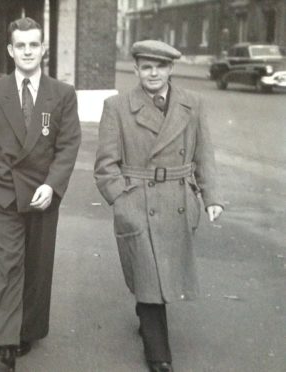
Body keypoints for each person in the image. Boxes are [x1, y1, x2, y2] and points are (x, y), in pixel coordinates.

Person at [94, 40, 224, 372]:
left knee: (160, 271)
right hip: (137, 199)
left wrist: (211, 198)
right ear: (136, 69)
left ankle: (144, 311)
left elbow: (203, 154)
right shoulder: (117, 106)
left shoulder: (193, 104)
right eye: (146, 66)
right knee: (150, 272)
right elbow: (106, 165)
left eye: (160, 66)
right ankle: (159, 354)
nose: (153, 73)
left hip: (180, 198)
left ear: (171, 69)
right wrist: (121, 200)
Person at [0, 17, 81, 372]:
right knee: (5, 267)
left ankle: (27, 329)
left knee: (36, 266)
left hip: (42, 194)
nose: (28, 51)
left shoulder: (61, 94)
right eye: (21, 45)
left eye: (34, 45)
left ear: (43, 49)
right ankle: (5, 345)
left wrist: (53, 185)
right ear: (10, 50)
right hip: (1, 193)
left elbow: (67, 145)